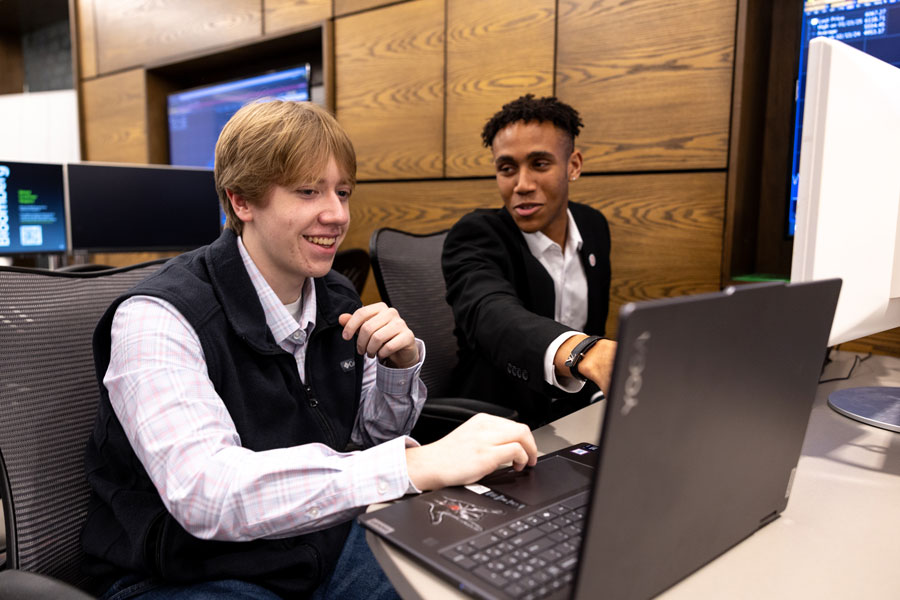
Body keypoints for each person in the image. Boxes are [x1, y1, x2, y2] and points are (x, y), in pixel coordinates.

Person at [81, 100, 538, 600]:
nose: (337, 215)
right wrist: (409, 467)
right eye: (307, 191)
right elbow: (207, 495)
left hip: (316, 543)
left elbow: (366, 438)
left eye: (342, 192)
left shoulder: (335, 296)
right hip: (194, 571)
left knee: (478, 578)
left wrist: (397, 370)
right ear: (241, 201)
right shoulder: (158, 317)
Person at [442, 94, 617, 429]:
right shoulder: (475, 235)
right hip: (497, 423)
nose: (522, 185)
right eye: (507, 169)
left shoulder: (593, 227)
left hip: (572, 415)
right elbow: (493, 314)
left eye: (539, 164)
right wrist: (585, 353)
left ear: (573, 165)